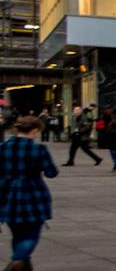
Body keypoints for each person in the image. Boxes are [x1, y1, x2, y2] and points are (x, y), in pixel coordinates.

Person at [0, 116, 58, 270]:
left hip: (7, 194)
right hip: (32, 193)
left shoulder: (2, 147)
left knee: (17, 233)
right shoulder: (38, 149)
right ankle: (17, 261)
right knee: (31, 234)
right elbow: (51, 172)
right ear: (34, 130)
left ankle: (23, 264)